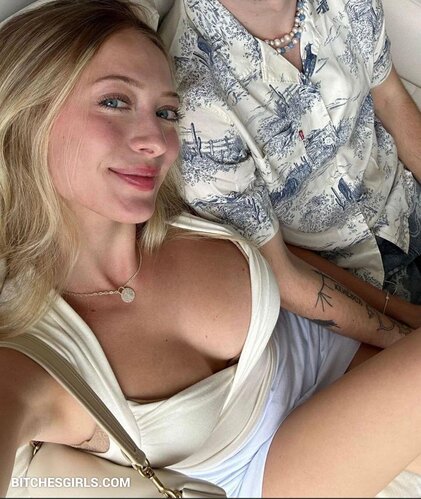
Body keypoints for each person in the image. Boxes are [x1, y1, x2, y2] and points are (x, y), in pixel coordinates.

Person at [2, 1, 421, 498]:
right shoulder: (31, 351)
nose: (157, 141)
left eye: (166, 112)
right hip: (271, 471)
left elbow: (286, 265)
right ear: (28, 112)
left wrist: (406, 322)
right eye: (114, 101)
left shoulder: (175, 215)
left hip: (346, 366)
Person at [156, 0, 421, 333]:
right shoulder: (192, 96)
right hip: (352, 281)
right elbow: (279, 269)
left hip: (406, 196)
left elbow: (390, 98)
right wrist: (402, 331)